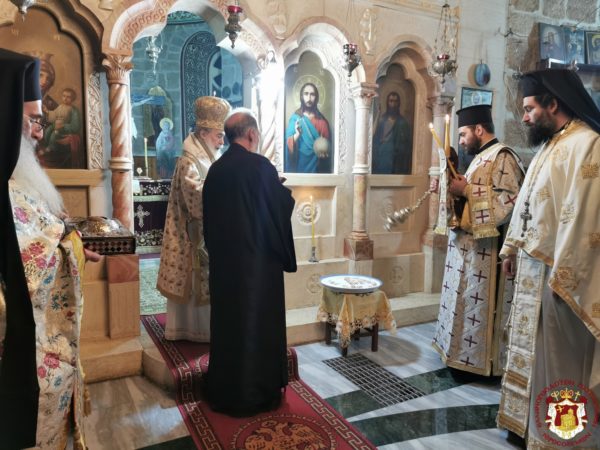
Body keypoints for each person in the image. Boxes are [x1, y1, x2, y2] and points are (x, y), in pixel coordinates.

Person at [0, 48, 100, 449]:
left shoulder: (17, 176)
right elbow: (29, 262)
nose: (40, 132)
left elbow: (40, 236)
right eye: (32, 120)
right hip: (16, 348)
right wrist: (70, 249)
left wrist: (72, 244)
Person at [497, 69, 600, 448]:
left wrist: (565, 276)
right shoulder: (551, 144)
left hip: (560, 274)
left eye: (529, 109)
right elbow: (529, 203)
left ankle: (562, 437)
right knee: (533, 354)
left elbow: (584, 216)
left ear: (552, 104)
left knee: (559, 359)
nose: (524, 117)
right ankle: (528, 426)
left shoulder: (587, 144)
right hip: (532, 270)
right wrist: (511, 248)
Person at [203, 109, 297, 416]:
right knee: (257, 327)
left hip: (225, 267)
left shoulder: (215, 170)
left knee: (229, 327)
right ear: (252, 134)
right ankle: (257, 394)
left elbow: (210, 221)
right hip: (258, 268)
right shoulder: (261, 166)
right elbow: (275, 211)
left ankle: (225, 391)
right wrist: (280, 191)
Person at [432, 104, 525, 376]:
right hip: (467, 250)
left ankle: (479, 364)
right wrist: (450, 189)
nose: (461, 141)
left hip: (487, 254)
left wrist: (467, 190)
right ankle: (460, 357)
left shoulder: (503, 156)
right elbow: (468, 197)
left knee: (476, 306)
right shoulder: (480, 158)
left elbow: (509, 202)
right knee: (462, 303)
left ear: (479, 129)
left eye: (463, 134)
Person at [157, 96, 230, 342]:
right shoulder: (188, 161)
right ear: (203, 133)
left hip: (205, 232)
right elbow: (196, 202)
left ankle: (206, 329)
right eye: (218, 136)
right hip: (190, 236)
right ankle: (192, 331)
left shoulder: (209, 158)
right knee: (193, 282)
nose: (221, 141)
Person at [285, 82, 332, 173]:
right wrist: (297, 135)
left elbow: (327, 149)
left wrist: (324, 151)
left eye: (312, 94)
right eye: (306, 94)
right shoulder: (295, 119)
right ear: (301, 96)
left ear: (316, 97)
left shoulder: (322, 122)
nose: (309, 98)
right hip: (299, 165)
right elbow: (287, 144)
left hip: (317, 167)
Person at [41, 87, 83, 168]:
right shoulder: (60, 106)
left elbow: (76, 126)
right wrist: (47, 111)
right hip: (56, 125)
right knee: (48, 130)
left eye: (68, 97)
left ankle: (50, 148)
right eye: (64, 96)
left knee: (54, 134)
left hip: (66, 130)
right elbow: (54, 115)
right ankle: (47, 146)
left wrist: (63, 126)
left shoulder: (74, 110)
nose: (65, 99)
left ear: (73, 99)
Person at [372, 91, 412, 174]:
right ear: (387, 102)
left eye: (395, 101)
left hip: (397, 160)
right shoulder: (382, 120)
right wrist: (378, 114)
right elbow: (373, 135)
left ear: (399, 103)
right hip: (383, 156)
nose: (393, 104)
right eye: (391, 101)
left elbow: (407, 144)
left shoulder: (403, 122)